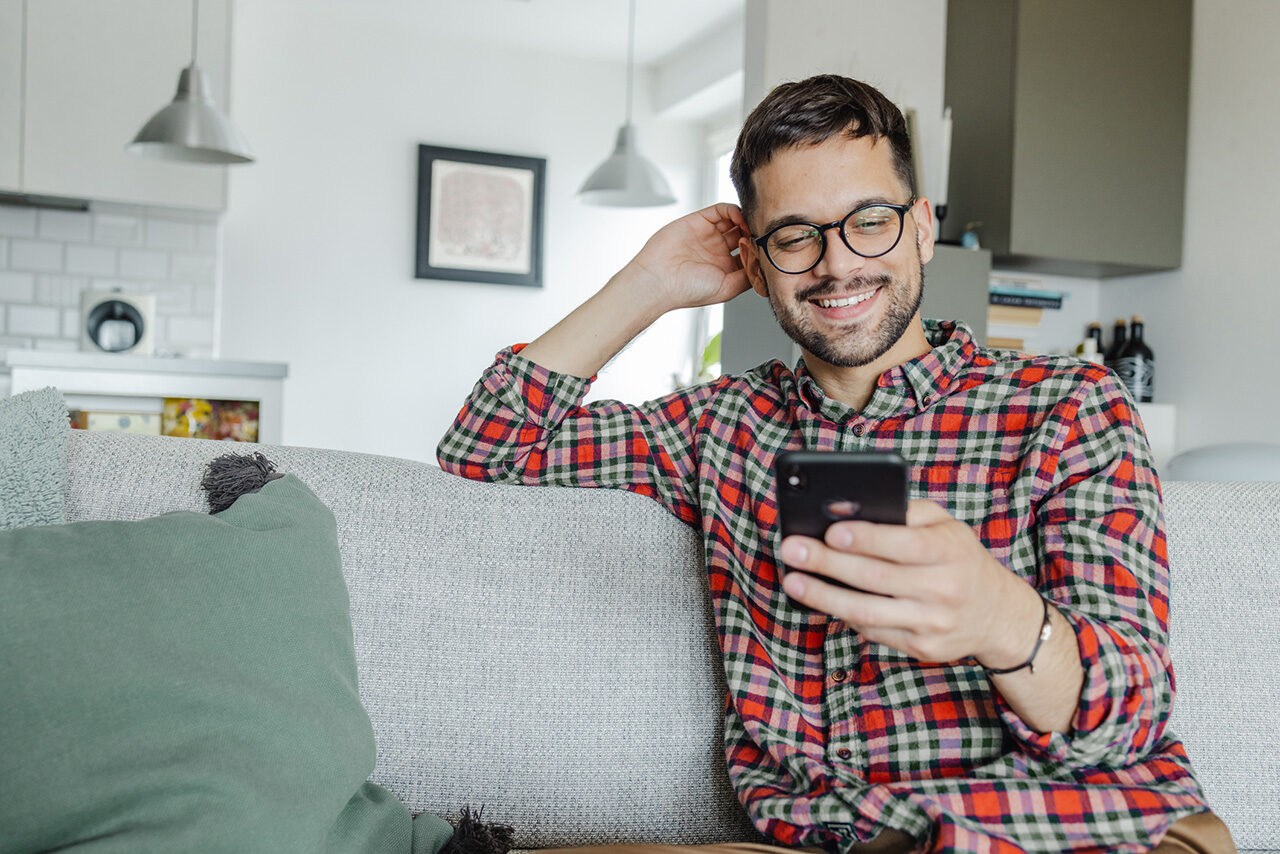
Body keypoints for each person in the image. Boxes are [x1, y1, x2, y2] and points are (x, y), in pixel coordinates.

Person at [436, 75, 1235, 854]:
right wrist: (646, 284)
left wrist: (999, 618)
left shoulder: (1069, 406)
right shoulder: (718, 426)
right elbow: (485, 447)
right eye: (795, 234)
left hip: (1053, 824)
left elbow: (1131, 716)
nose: (836, 262)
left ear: (921, 226)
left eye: (869, 221)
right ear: (756, 260)